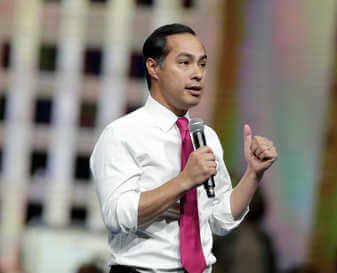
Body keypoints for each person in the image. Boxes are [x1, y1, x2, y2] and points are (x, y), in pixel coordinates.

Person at [90, 23, 278, 273]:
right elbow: (118, 215)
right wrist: (185, 180)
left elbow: (220, 220)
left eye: (202, 64)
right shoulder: (122, 134)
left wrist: (253, 174)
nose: (197, 74)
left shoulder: (205, 136)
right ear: (153, 67)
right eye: (185, 63)